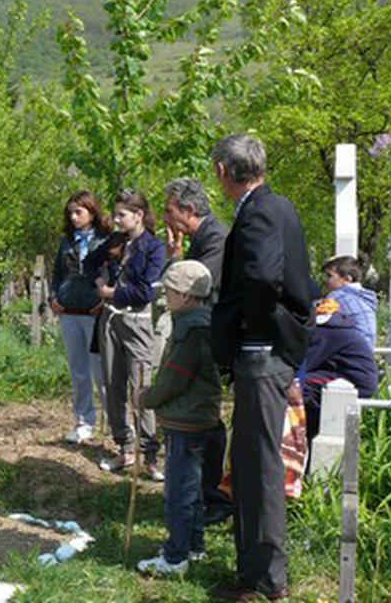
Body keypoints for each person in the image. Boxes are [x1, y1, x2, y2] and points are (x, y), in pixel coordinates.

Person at [210, 133, 312, 602]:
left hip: (262, 353)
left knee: (259, 469)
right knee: (250, 465)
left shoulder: (260, 212)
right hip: (266, 352)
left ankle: (267, 579)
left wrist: (249, 328)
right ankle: (253, 573)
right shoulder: (279, 206)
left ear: (223, 171)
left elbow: (263, 279)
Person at [136, 261, 222, 576]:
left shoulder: (191, 331)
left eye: (170, 291)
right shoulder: (199, 323)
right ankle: (194, 546)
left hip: (187, 421)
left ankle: (175, 558)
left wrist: (146, 398)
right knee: (192, 491)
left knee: (178, 494)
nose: (165, 297)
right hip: (198, 417)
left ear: (185, 295)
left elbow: (175, 380)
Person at [161, 177, 232, 524]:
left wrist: (175, 263)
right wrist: (176, 256)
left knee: (205, 417)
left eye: (169, 211)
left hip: (208, 336)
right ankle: (199, 494)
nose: (166, 219)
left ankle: (210, 497)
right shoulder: (201, 239)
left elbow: (199, 282)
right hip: (204, 332)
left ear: (188, 209)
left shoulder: (215, 238)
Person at [85, 189, 167, 480]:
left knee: (141, 387)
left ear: (139, 215)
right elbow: (89, 262)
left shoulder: (155, 247)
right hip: (110, 321)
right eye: (115, 213)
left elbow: (146, 291)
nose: (116, 219)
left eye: (122, 214)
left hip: (137, 322)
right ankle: (125, 447)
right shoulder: (114, 242)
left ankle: (150, 456)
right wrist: (99, 282)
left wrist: (113, 292)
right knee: (113, 385)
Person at [49, 190, 111, 444]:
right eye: (70, 213)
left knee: (102, 373)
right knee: (79, 372)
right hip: (69, 313)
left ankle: (116, 424)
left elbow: (113, 272)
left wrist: (106, 301)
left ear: (92, 212)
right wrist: (53, 297)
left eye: (79, 212)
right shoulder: (67, 242)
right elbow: (57, 273)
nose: (74, 217)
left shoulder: (105, 240)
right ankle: (84, 423)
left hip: (95, 314)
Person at [299, 297, 377, 441]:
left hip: (355, 385)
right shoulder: (340, 329)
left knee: (299, 388)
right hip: (351, 379)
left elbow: (307, 362)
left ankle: (303, 438)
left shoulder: (327, 333)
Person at [321, 256, 377, 350]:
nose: (325, 280)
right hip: (367, 352)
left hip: (348, 351)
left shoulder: (338, 295)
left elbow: (319, 320)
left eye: (329, 276)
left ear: (347, 279)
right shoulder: (365, 298)